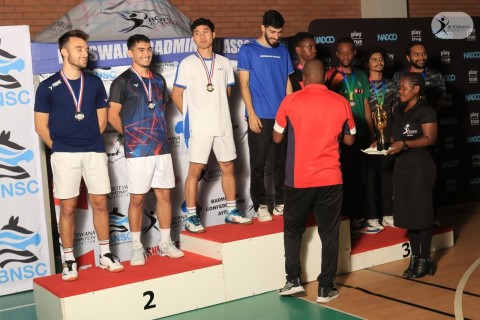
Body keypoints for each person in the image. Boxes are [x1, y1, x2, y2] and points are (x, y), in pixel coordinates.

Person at [34, 29, 124, 281]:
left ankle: (106, 255)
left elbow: (101, 120)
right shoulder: (47, 86)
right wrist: (61, 146)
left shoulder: (94, 82)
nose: (85, 53)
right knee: (68, 207)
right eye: (79, 49)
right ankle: (69, 260)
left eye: (86, 49)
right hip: (64, 155)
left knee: (100, 203)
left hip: (94, 151)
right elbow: (40, 126)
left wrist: (89, 142)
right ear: (64, 52)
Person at [275, 59, 356, 303]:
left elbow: (277, 138)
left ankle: (293, 280)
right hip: (331, 178)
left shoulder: (291, 101)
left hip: (299, 180)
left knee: (293, 230)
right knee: (329, 233)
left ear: (304, 80)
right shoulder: (341, 101)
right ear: (324, 79)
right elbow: (351, 140)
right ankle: (326, 289)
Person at [108, 34, 184, 266]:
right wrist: (131, 138)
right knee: (138, 199)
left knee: (164, 195)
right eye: (140, 50)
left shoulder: (159, 80)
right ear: (130, 53)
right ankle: (137, 247)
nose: (146, 53)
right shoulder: (121, 81)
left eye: (149, 49)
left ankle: (165, 242)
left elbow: (158, 108)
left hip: (161, 147)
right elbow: (112, 116)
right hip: (138, 150)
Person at [171, 18, 252, 233]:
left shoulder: (225, 63)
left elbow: (226, 94)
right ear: (193, 37)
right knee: (195, 170)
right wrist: (191, 116)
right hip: (199, 127)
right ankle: (190, 216)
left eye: (206, 32)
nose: (202, 36)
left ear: (213, 34)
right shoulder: (187, 63)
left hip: (223, 125)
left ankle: (231, 211)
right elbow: (176, 94)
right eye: (197, 33)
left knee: (228, 167)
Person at [238, 10, 294, 222]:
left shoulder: (283, 50)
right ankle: (261, 205)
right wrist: (251, 113)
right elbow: (244, 83)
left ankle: (280, 203)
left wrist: (291, 112)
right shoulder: (248, 50)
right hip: (259, 116)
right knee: (258, 164)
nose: (276, 37)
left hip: (281, 117)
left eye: (279, 32)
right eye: (272, 32)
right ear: (262, 28)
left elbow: (287, 82)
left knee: (281, 163)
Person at [387, 73, 438, 279]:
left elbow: (430, 138)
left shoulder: (426, 110)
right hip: (402, 168)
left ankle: (425, 259)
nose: (400, 91)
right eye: (399, 87)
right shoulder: (398, 109)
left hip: (420, 168)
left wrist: (406, 144)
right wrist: (384, 143)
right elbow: (394, 136)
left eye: (403, 88)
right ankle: (415, 257)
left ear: (416, 89)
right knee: (409, 214)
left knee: (422, 214)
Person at [325, 37, 376, 235]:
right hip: (343, 136)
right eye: (342, 52)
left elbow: (365, 104)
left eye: (349, 52)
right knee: (345, 178)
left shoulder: (362, 75)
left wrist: (372, 131)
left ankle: (359, 219)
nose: (346, 56)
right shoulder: (331, 76)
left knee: (362, 178)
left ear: (354, 53)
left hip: (362, 133)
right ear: (337, 55)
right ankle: (346, 220)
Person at [365, 47, 396, 230]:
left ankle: (388, 214)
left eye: (381, 59)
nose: (379, 62)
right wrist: (371, 135)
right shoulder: (363, 83)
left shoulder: (391, 85)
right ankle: (371, 216)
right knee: (369, 178)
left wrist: (393, 134)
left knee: (387, 176)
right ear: (368, 63)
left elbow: (395, 110)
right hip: (369, 136)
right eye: (374, 59)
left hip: (388, 134)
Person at [392, 41, 445, 112]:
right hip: (406, 119)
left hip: (430, 119)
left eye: (424, 54)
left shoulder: (436, 75)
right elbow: (395, 101)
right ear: (408, 58)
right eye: (417, 54)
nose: (421, 58)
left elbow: (441, 100)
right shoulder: (399, 76)